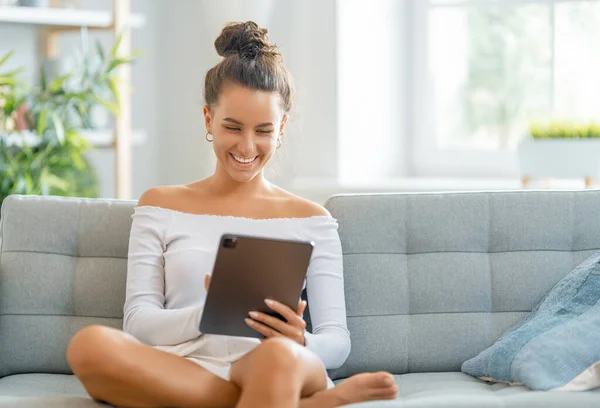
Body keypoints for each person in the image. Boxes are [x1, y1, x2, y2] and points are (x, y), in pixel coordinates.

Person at [66, 21, 398, 408]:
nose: (246, 145)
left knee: (276, 358)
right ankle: (298, 405)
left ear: (281, 128)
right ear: (209, 120)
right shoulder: (160, 205)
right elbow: (138, 323)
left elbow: (337, 342)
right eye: (232, 127)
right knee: (90, 345)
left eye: (262, 130)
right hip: (186, 364)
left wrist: (300, 340)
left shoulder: (312, 219)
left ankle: (273, 393)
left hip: (276, 362)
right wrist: (204, 315)